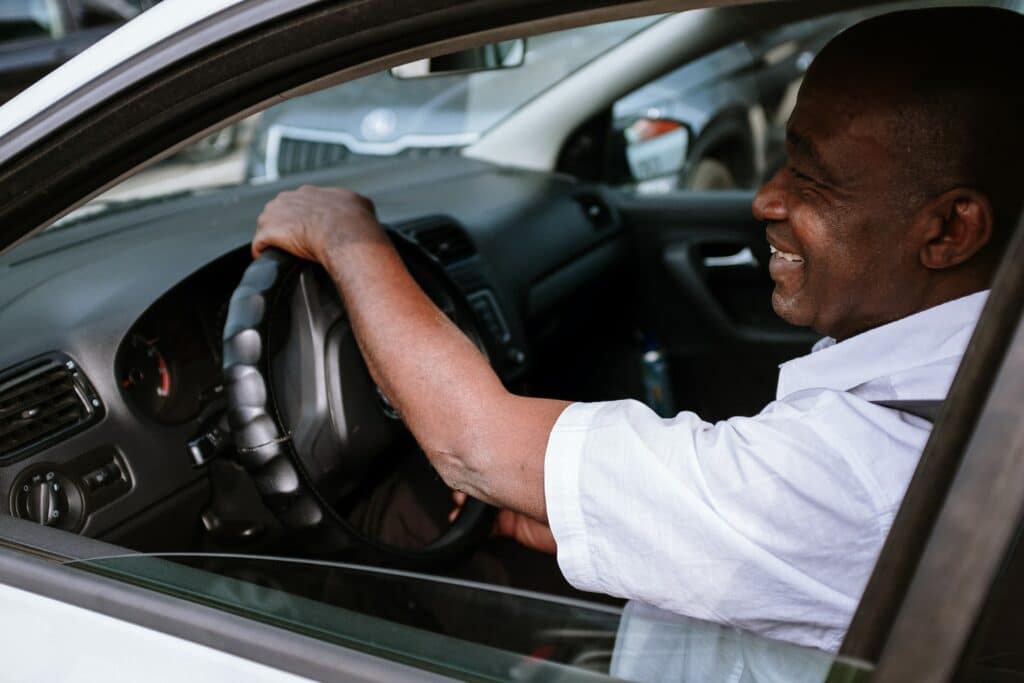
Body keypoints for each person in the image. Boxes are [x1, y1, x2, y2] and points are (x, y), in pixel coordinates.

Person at [250, 6, 1023, 656]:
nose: (763, 200)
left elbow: (470, 444)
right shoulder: (971, 394)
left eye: (811, 176)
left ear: (951, 229)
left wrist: (345, 237)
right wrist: (619, 523)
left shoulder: (861, 471)